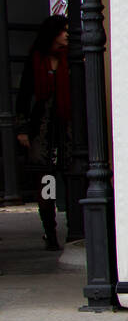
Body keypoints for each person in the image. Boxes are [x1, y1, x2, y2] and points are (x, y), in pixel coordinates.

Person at [15, 15, 71, 251]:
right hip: (43, 131)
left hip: (66, 131)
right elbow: (24, 95)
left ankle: (77, 229)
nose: (67, 35)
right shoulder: (37, 60)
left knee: (71, 176)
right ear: (53, 33)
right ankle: (51, 231)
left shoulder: (71, 58)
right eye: (63, 31)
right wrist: (23, 129)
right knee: (46, 182)